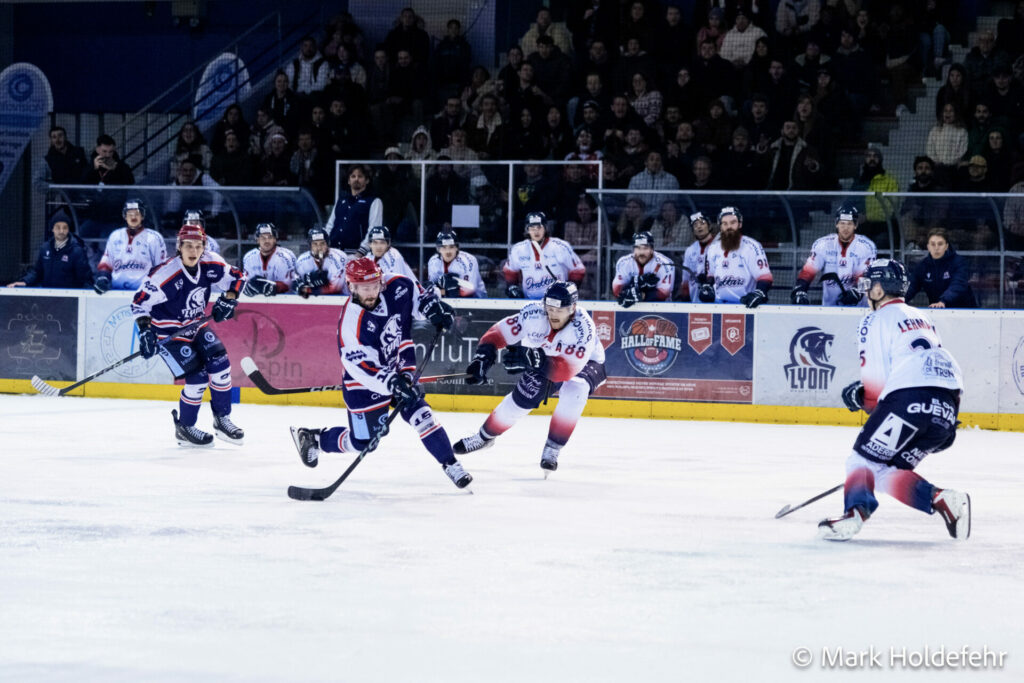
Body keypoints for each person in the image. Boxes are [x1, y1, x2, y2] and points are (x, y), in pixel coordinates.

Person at [819, 258, 969, 541]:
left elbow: (877, 387)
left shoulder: (874, 319)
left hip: (910, 399)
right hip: (946, 407)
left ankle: (854, 514)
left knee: (861, 461)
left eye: (869, 285)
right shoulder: (921, 316)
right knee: (886, 471)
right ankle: (943, 500)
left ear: (880, 288)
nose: (866, 292)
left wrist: (864, 400)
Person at [288, 257, 472, 488]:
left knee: (422, 415)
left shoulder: (398, 285)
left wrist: (433, 309)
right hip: (364, 384)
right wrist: (392, 383)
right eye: (364, 287)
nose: (371, 291)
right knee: (365, 443)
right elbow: (363, 368)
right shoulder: (351, 324)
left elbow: (421, 298)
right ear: (351, 287)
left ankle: (451, 464)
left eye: (375, 284)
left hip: (398, 366)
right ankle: (315, 439)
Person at [453, 281, 606, 474]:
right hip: (543, 359)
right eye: (549, 308)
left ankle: (553, 447)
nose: (553, 314)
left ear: (573, 308)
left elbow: (567, 371)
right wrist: (482, 358)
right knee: (523, 398)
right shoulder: (532, 314)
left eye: (559, 310)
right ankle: (484, 437)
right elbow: (497, 333)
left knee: (576, 388)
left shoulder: (584, 328)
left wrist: (535, 360)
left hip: (586, 363)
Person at [130, 223, 247, 447]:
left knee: (221, 366)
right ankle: (185, 427)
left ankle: (222, 419)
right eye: (188, 246)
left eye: (198, 246)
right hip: (168, 333)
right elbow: (138, 303)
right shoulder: (164, 275)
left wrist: (230, 297)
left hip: (195, 326)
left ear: (204, 247)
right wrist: (145, 331)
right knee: (198, 378)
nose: (193, 251)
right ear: (179, 247)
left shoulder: (210, 263)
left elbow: (238, 277)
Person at [791, 205, 877, 307]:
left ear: (856, 225)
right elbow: (808, 271)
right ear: (836, 224)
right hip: (830, 308)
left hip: (859, 309)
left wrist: (857, 292)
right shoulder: (823, 244)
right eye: (842, 223)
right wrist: (800, 290)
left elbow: (867, 275)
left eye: (849, 224)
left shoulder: (866, 246)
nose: (845, 228)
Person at [698, 206, 772, 307]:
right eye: (725, 223)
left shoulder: (752, 246)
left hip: (745, 306)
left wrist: (759, 292)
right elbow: (711, 275)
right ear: (720, 226)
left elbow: (765, 277)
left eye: (733, 222)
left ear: (740, 224)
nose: (729, 227)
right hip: (718, 306)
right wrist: (708, 286)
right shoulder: (713, 248)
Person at [503, 211, 586, 299]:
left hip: (557, 305)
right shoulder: (518, 249)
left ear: (545, 228)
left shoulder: (560, 247)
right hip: (529, 304)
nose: (536, 231)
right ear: (527, 230)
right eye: (532, 228)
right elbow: (510, 272)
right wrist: (512, 287)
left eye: (539, 227)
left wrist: (568, 292)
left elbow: (578, 271)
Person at [94, 199, 167, 294]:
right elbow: (107, 262)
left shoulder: (154, 238)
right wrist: (103, 277)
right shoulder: (115, 236)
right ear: (125, 216)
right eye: (130, 214)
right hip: (117, 291)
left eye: (137, 214)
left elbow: (161, 267)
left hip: (144, 294)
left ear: (142, 216)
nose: (133, 217)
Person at [7, 210, 93, 289]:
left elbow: (85, 279)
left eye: (65, 227)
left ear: (68, 229)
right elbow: (37, 272)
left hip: (69, 299)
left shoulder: (77, 251)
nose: (61, 231)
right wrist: (25, 282)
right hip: (48, 298)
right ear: (52, 229)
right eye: (58, 227)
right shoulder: (45, 248)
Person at [905, 228, 977, 308]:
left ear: (946, 246)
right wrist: (899, 300)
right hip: (937, 312)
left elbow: (957, 284)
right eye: (933, 244)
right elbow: (912, 286)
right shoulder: (923, 266)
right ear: (928, 247)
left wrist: (944, 300)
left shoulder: (959, 262)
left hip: (965, 312)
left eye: (940, 244)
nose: (936, 248)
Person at [324, 164, 384, 252]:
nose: (356, 179)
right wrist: (324, 244)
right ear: (349, 181)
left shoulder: (374, 201)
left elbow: (374, 230)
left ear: (367, 180)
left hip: (356, 254)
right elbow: (330, 226)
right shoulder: (341, 200)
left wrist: (361, 252)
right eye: (353, 176)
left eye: (360, 176)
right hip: (333, 252)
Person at [612, 231, 675, 307]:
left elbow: (663, 294)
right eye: (638, 248)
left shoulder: (665, 264)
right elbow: (616, 290)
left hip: (661, 308)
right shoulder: (624, 262)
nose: (641, 252)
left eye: (645, 248)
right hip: (631, 308)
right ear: (633, 249)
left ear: (652, 249)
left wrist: (640, 295)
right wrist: (638, 282)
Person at [426, 231, 486, 298]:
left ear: (457, 248)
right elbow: (432, 289)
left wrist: (445, 289)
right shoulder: (433, 261)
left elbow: (470, 289)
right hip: (446, 299)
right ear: (438, 249)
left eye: (451, 247)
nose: (448, 251)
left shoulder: (468, 260)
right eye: (444, 247)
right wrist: (447, 290)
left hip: (476, 300)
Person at [242, 223, 296, 295]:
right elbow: (245, 282)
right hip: (256, 301)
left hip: (283, 301)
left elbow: (291, 285)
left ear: (275, 239)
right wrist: (248, 287)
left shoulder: (287, 256)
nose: (266, 241)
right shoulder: (249, 257)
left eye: (270, 237)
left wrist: (274, 287)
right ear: (257, 240)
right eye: (263, 238)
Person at [294, 227, 347, 299]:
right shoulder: (301, 261)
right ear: (310, 245)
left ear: (327, 244)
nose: (319, 248)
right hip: (312, 301)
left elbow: (336, 288)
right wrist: (300, 287)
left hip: (341, 299)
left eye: (322, 243)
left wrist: (309, 289)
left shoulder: (339, 258)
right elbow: (297, 284)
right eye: (315, 244)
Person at [678, 212, 718, 302]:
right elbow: (686, 278)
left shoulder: (720, 247)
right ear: (693, 230)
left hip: (717, 301)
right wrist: (685, 297)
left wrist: (709, 280)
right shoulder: (690, 250)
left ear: (709, 226)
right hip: (695, 301)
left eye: (702, 223)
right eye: (695, 225)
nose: (699, 227)